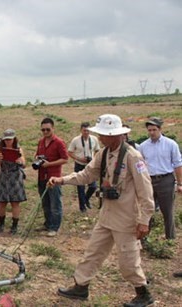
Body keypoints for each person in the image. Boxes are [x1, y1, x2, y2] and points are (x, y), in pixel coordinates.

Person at [50, 114, 155, 306]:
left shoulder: (133, 157)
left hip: (126, 218)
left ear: (116, 135)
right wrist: (62, 180)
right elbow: (87, 174)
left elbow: (145, 191)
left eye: (104, 135)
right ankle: (81, 286)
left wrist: (144, 220)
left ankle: (143, 293)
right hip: (107, 215)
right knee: (93, 252)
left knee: (128, 260)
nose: (100, 138)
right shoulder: (104, 154)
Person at [139, 117, 182, 240]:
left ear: (160, 129)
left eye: (154, 129)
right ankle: (145, 238)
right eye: (149, 130)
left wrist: (180, 183)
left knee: (167, 211)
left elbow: (178, 164)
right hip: (149, 181)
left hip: (166, 180)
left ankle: (170, 238)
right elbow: (140, 165)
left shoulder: (170, 144)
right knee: (147, 210)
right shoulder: (143, 146)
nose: (151, 132)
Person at [35, 117, 68, 237]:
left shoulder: (59, 142)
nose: (45, 132)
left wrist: (50, 164)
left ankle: (55, 227)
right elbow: (37, 155)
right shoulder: (41, 142)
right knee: (45, 203)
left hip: (54, 177)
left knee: (55, 203)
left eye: (47, 130)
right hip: (42, 176)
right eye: (43, 130)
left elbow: (65, 159)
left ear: (53, 128)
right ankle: (48, 224)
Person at [0, 129, 26, 235]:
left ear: (14, 139)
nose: (8, 142)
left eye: (10, 139)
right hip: (4, 176)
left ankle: (14, 226)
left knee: (15, 202)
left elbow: (24, 163)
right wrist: (0, 159)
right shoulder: (0, 150)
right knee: (2, 202)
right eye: (6, 140)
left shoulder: (18, 149)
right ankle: (1, 224)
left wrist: (19, 160)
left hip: (15, 176)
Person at [67, 122, 100, 212]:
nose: (86, 132)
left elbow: (97, 150)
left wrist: (94, 159)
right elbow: (69, 152)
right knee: (80, 187)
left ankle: (86, 199)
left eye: (88, 130)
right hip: (79, 165)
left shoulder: (94, 139)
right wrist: (79, 158)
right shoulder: (76, 140)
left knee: (93, 186)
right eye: (84, 130)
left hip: (91, 165)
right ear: (81, 130)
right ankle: (82, 207)